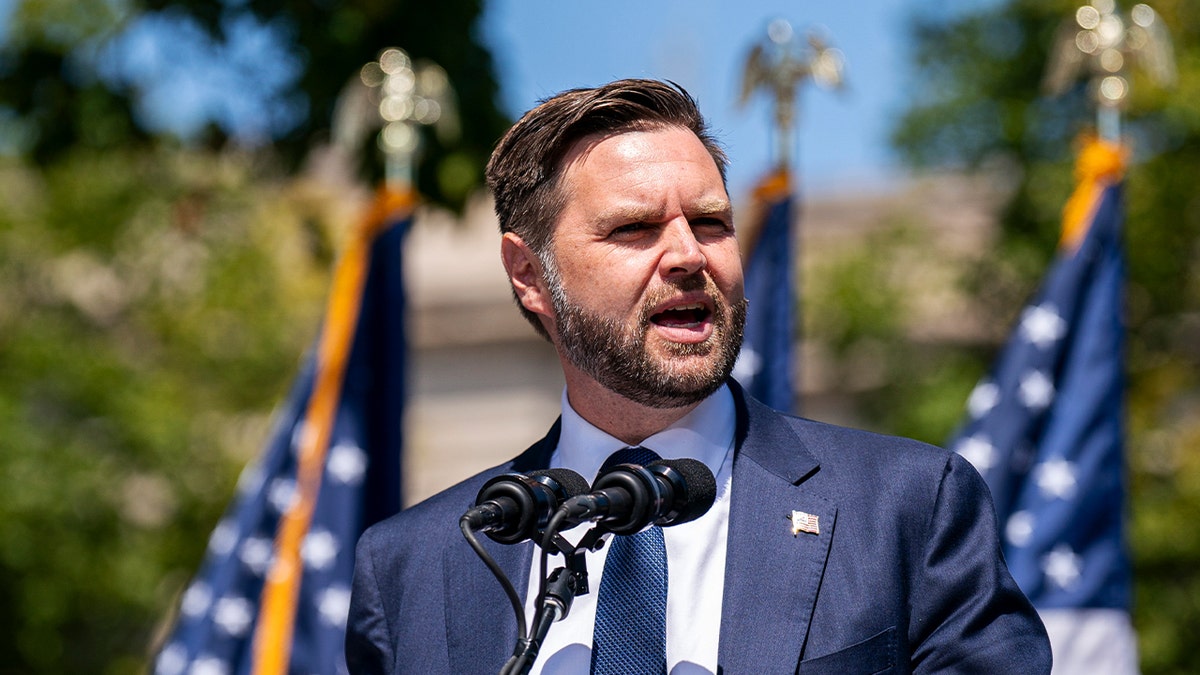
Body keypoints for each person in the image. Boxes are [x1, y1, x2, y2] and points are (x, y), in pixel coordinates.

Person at [346, 79, 1052, 674]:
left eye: (711, 222)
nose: (689, 254)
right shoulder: (416, 563)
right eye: (634, 229)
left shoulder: (908, 508)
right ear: (529, 274)